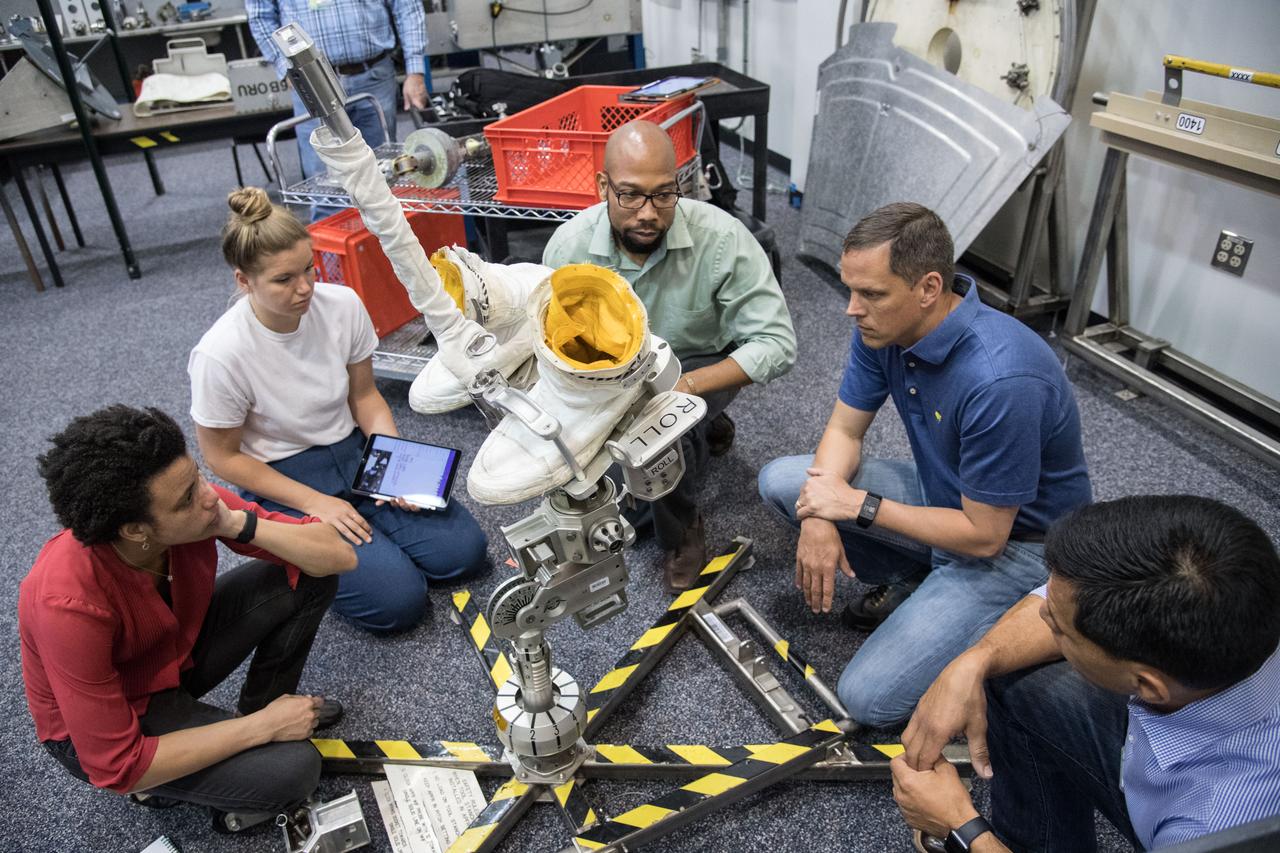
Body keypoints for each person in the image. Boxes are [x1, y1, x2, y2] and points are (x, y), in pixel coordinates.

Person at [757, 202, 1091, 726]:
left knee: (868, 698)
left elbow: (985, 537)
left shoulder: (1001, 380)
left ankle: (1020, 617)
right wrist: (820, 513)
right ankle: (922, 579)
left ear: (929, 288)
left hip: (1020, 545)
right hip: (950, 498)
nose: (851, 308)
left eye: (870, 294)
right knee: (786, 481)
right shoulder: (884, 327)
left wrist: (857, 506)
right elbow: (845, 430)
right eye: (851, 289)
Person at [19, 405, 356, 826]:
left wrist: (237, 524)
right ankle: (244, 740)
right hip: (122, 715)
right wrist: (262, 729)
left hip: (173, 651)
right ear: (135, 530)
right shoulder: (65, 602)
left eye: (196, 476)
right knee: (295, 770)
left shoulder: (199, 508)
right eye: (187, 499)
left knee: (309, 570)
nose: (209, 495)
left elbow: (337, 555)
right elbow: (115, 764)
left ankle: (268, 711)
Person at [891, 495, 1280, 852]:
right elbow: (1058, 598)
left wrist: (961, 828)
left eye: (1059, 627)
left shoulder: (1215, 823)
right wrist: (973, 660)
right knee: (1006, 666)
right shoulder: (1241, 587)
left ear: (1147, 685)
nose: (1043, 615)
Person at [190, 187, 489, 634]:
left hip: (353, 450)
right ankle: (310, 553)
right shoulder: (220, 353)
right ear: (243, 281)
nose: (305, 287)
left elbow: (365, 397)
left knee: (465, 554)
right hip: (284, 478)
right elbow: (222, 458)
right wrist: (315, 503)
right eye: (283, 279)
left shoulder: (341, 305)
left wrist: (395, 463)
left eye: (308, 268)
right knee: (398, 603)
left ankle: (365, 538)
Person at [543, 120, 797, 591]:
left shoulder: (721, 238)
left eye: (664, 194)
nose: (648, 212)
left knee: (660, 433)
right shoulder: (569, 248)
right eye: (631, 196)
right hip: (615, 366)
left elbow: (777, 344)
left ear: (679, 184)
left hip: (701, 361)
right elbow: (553, 341)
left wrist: (686, 389)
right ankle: (706, 426)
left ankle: (681, 531)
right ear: (602, 186)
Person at [246, 0, 429, 220]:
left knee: (381, 180)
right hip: (310, 81)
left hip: (373, 75)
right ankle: (337, 252)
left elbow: (406, 5)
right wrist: (283, 66)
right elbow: (260, 15)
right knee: (326, 191)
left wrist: (415, 69)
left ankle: (383, 252)